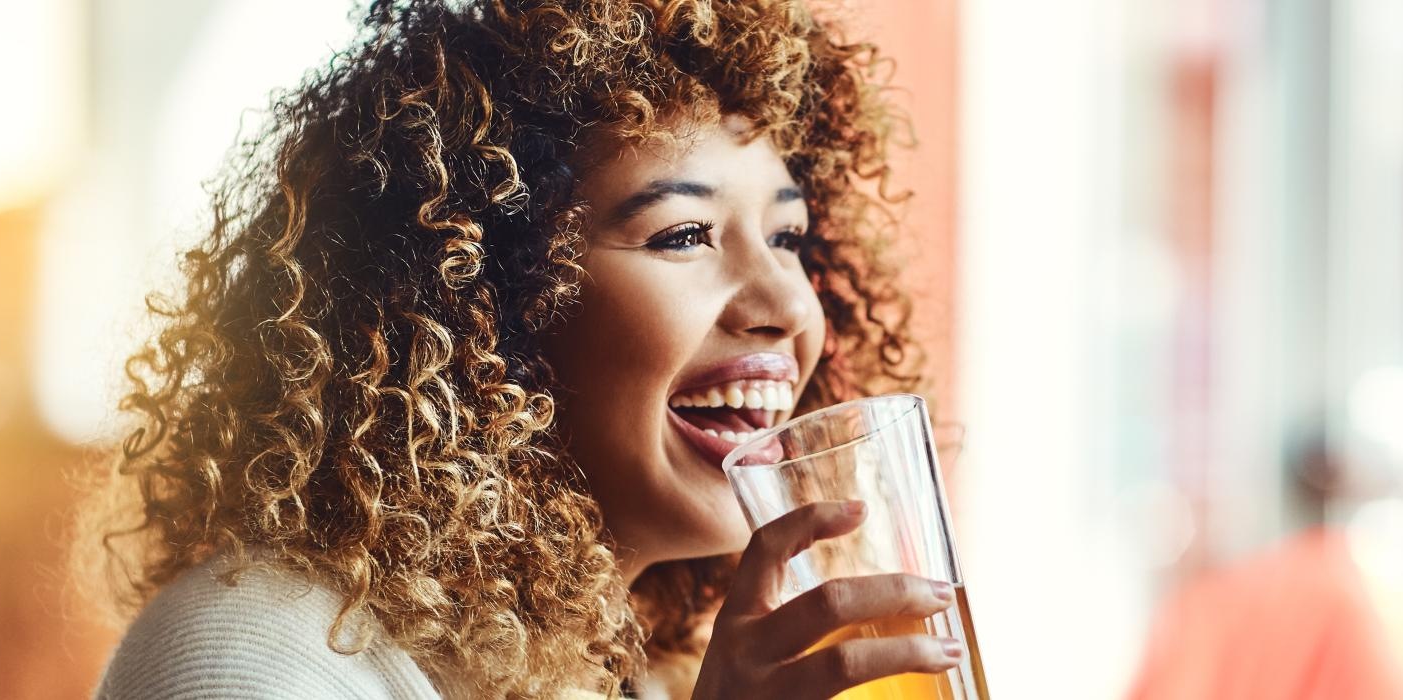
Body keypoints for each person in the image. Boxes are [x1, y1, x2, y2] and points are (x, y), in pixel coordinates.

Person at [78, 1, 957, 697]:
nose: (787, 305)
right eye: (684, 233)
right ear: (479, 308)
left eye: (788, 237)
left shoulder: (633, 668)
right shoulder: (258, 656)